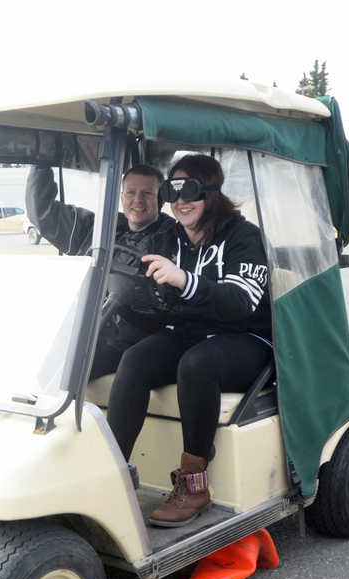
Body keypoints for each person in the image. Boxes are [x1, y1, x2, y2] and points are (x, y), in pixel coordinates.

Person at [105, 154, 273, 527]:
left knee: (195, 365)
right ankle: (112, 474)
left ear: (211, 193)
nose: (180, 202)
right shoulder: (174, 236)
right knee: (134, 360)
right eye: (173, 192)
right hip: (193, 332)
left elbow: (240, 303)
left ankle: (194, 485)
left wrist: (183, 280)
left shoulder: (243, 238)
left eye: (191, 191)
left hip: (247, 339)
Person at [25, 164, 176, 379]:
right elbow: (43, 213)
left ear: (161, 200)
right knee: (41, 350)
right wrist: (40, 160)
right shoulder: (100, 229)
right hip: (91, 330)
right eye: (131, 193)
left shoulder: (173, 239)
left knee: (73, 364)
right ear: (122, 196)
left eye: (147, 194)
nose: (138, 200)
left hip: (136, 341)